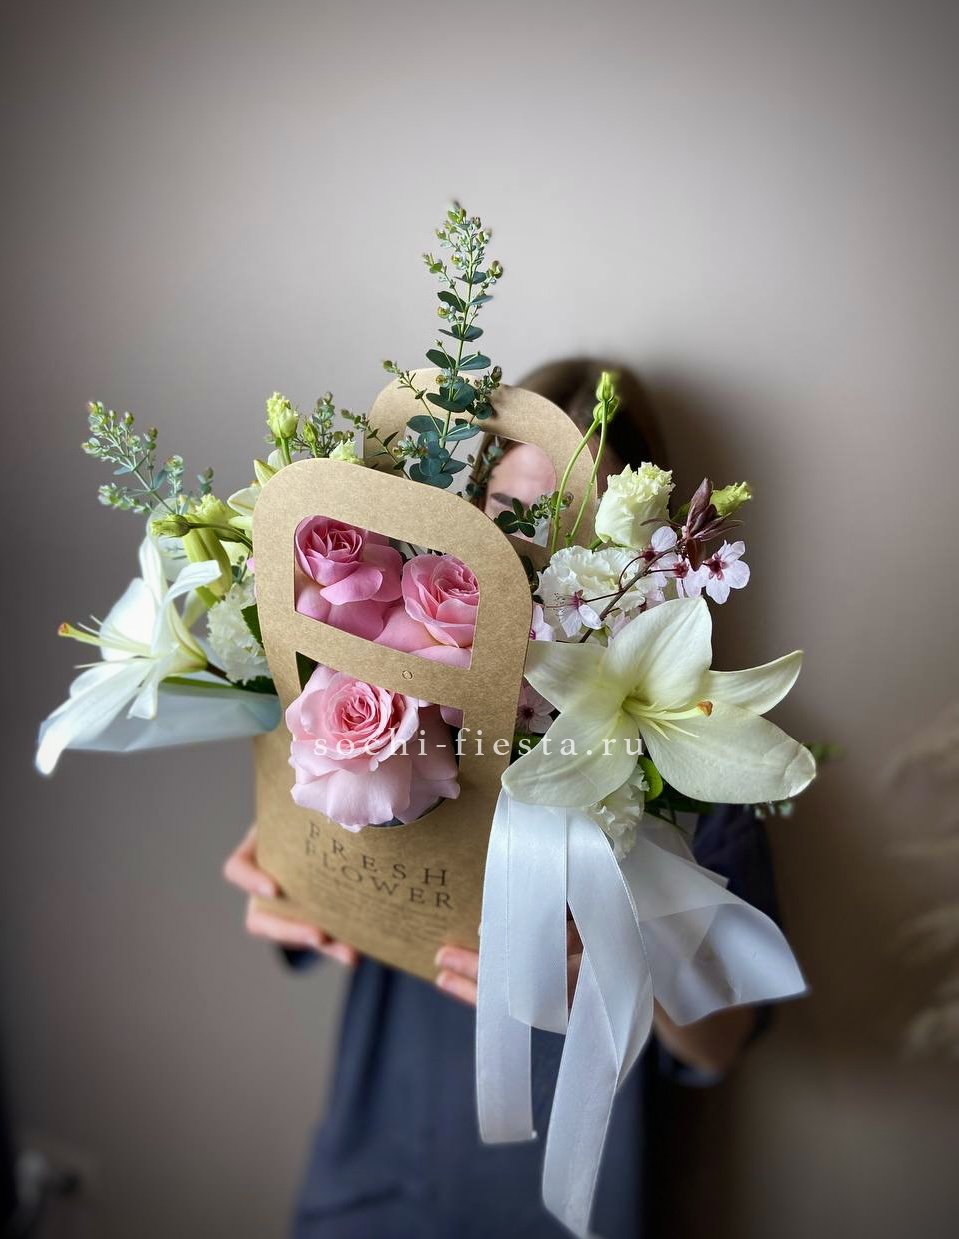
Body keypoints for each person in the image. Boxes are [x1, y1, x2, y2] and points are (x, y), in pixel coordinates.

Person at [224, 359, 781, 1238]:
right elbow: (312, 915)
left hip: (567, 1200)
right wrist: (285, 875)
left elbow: (723, 1040)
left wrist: (629, 965)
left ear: (645, 557)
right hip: (373, 1179)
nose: (535, 556)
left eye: (577, 527)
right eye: (511, 513)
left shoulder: (686, 739)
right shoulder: (384, 686)